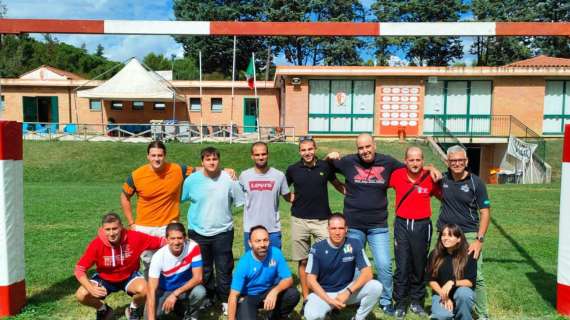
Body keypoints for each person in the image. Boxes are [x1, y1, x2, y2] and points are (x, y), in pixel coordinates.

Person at [325, 133, 441, 315]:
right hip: (353, 224)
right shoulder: (348, 162)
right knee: (350, 264)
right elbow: (326, 168)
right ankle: (348, 298)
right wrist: (336, 178)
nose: (364, 151)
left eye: (367, 147)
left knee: (384, 265)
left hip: (378, 225)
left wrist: (431, 167)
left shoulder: (387, 162)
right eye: (361, 148)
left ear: (374, 145)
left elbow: (412, 166)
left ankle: (386, 301)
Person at [181, 146, 244, 315]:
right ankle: (207, 298)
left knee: (224, 267)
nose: (211, 162)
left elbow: (240, 201)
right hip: (197, 232)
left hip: (223, 231)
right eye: (208, 159)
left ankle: (224, 299)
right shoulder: (191, 180)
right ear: (202, 162)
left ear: (219, 161)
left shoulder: (230, 179)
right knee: (204, 268)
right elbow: (180, 198)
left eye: (215, 159)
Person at [285, 136, 345, 307]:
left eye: (310, 149)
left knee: (327, 260)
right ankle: (306, 298)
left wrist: (355, 194)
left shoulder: (325, 167)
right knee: (303, 261)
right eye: (303, 150)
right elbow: (282, 187)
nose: (307, 153)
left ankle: (325, 297)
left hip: (322, 221)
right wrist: (289, 197)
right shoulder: (292, 169)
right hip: (300, 220)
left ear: (315, 149)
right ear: (299, 152)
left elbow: (338, 184)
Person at [120, 141, 194, 275]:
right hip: (145, 227)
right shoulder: (136, 175)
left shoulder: (177, 169)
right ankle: (151, 293)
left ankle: (170, 291)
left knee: (171, 262)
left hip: (168, 226)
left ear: (164, 155)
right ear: (148, 156)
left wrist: (224, 170)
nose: (156, 159)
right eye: (153, 155)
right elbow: (124, 197)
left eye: (160, 155)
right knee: (149, 263)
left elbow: (200, 170)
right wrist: (131, 223)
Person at [74, 212, 165, 320]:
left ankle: (133, 309)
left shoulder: (134, 237)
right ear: (103, 229)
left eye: (115, 228)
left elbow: (161, 242)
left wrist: (182, 242)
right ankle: (103, 309)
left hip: (129, 276)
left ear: (121, 227)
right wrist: (91, 288)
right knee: (81, 294)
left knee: (146, 289)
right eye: (108, 229)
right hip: (105, 279)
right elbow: (79, 269)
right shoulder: (96, 244)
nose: (111, 233)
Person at [437, 145, 491, 320]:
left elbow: (485, 212)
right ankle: (447, 304)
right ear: (447, 162)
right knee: (442, 270)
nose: (457, 163)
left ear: (467, 161)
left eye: (461, 160)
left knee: (477, 275)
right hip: (444, 235)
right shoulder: (442, 179)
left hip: (468, 235)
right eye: (453, 160)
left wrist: (479, 239)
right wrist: (430, 167)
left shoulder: (477, 183)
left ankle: (483, 314)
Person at [389, 146, 441, 318]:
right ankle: (400, 302)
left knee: (419, 265)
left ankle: (416, 301)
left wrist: (432, 169)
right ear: (405, 161)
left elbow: (443, 195)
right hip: (402, 225)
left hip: (422, 225)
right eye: (411, 160)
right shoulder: (397, 175)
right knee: (402, 265)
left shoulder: (430, 178)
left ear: (423, 161)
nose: (415, 163)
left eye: (418, 160)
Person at [304, 213, 383, 320]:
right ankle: (327, 310)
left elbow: (368, 273)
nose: (337, 232)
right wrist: (330, 300)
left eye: (341, 228)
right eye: (333, 228)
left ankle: (359, 318)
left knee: (376, 286)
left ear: (346, 229)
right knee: (311, 316)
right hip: (324, 293)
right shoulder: (317, 248)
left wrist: (347, 292)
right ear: (328, 229)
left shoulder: (355, 243)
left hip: (347, 291)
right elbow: (310, 280)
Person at [227, 225, 300, 320]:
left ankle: (274, 317)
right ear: (250, 243)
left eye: (265, 240)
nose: (262, 244)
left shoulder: (276, 253)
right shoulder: (244, 263)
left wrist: (275, 291)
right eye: (258, 241)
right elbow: (233, 296)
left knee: (293, 294)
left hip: (268, 291)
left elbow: (288, 279)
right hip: (249, 297)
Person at [147, 223, 206, 320]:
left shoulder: (193, 247)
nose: (176, 242)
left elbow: (198, 278)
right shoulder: (158, 257)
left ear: (185, 238)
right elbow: (151, 290)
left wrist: (175, 294)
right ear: (166, 239)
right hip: (165, 290)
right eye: (172, 238)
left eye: (179, 238)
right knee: (154, 314)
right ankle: (178, 308)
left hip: (185, 287)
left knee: (200, 292)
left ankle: (191, 315)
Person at [239, 141, 291, 250]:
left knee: (273, 264)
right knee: (253, 264)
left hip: (273, 230)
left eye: (263, 154)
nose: (261, 157)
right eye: (257, 155)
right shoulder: (244, 176)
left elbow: (289, 197)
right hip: (251, 230)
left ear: (268, 155)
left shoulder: (279, 176)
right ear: (252, 156)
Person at [428, 224, 477, 320]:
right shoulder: (435, 254)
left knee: (464, 294)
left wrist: (452, 282)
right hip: (441, 293)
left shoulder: (468, 255)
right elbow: (431, 280)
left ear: (459, 239)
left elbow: (470, 282)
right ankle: (446, 312)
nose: (445, 238)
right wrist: (443, 295)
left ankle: (464, 315)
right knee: (441, 316)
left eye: (450, 235)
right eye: (443, 235)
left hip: (460, 293)